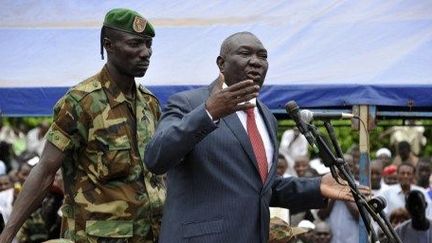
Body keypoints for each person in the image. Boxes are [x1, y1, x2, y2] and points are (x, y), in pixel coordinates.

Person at [144, 31, 367, 242]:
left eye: (263, 56)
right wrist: (209, 113)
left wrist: (316, 186)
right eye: (245, 54)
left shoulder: (266, 117)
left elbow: (259, 188)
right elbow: (156, 158)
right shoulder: (188, 103)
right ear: (221, 63)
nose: (256, 61)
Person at [0, 8, 165, 243]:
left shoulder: (150, 104)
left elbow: (158, 175)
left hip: (151, 235)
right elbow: (45, 171)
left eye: (148, 44)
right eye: (135, 44)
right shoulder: (80, 102)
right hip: (99, 237)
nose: (145, 53)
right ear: (109, 45)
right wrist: (7, 235)